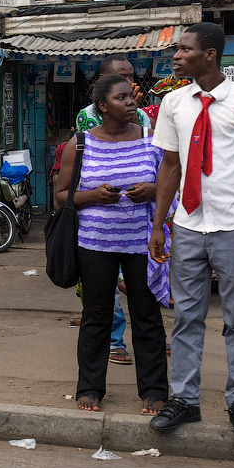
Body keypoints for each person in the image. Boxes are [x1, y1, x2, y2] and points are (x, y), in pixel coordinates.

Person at [148, 22, 234, 443]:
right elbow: (170, 165)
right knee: (186, 317)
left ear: (209, 54)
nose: (176, 55)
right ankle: (185, 400)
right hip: (187, 226)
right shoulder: (174, 102)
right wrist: (159, 223)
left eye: (184, 49)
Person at [55, 74, 169, 415]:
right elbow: (61, 197)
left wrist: (151, 191)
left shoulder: (152, 140)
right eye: (121, 98)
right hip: (95, 244)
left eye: (131, 97)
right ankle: (90, 388)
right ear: (103, 107)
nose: (130, 102)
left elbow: (170, 187)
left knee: (147, 317)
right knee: (97, 316)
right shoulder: (81, 144)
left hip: (142, 244)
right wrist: (92, 196)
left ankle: (153, 391)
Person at [74, 54, 152, 362]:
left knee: (144, 303)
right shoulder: (86, 116)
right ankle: (114, 340)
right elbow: (109, 135)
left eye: (131, 78)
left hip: (137, 228)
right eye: (120, 81)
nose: (130, 86)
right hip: (99, 227)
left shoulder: (144, 117)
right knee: (103, 300)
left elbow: (149, 151)